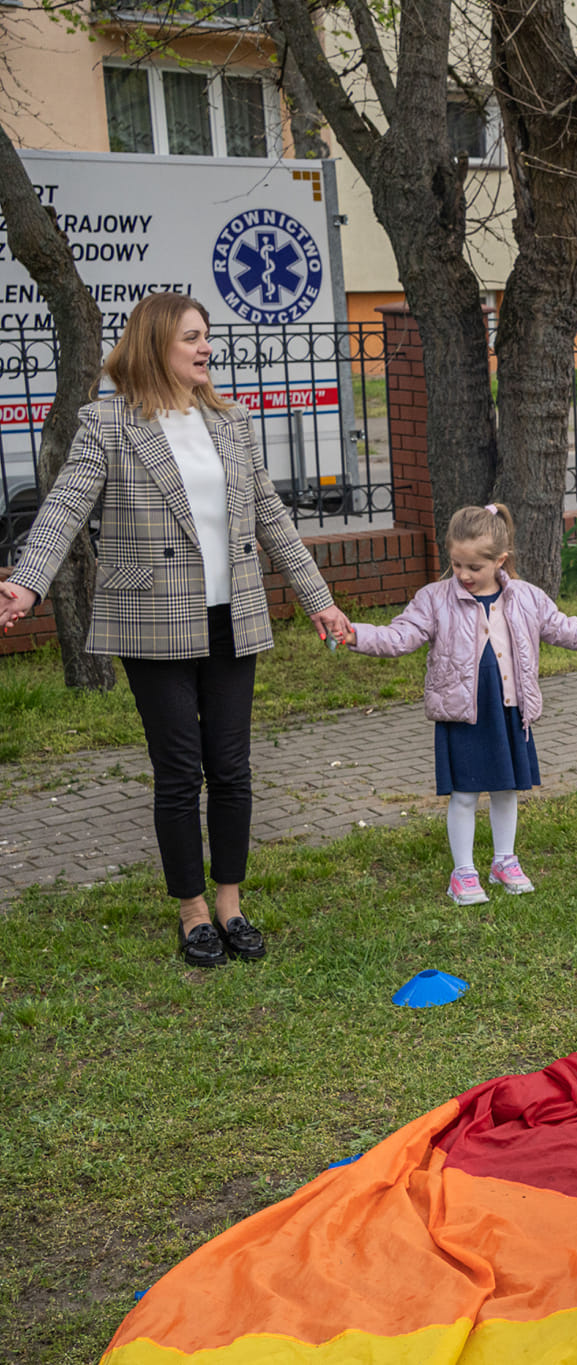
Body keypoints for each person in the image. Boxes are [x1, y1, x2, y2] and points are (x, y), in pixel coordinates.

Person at [0, 291, 351, 968]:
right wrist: (26, 578)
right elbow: (66, 504)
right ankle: (191, 911)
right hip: (151, 619)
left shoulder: (231, 421)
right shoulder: (109, 424)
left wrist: (319, 598)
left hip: (232, 615)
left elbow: (271, 517)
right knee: (178, 770)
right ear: (156, 343)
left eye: (207, 337)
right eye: (192, 337)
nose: (206, 348)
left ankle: (230, 902)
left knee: (232, 766)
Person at [347, 504, 577, 904]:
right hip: (463, 714)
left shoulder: (527, 597)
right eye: (456, 564)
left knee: (506, 789)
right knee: (463, 794)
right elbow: (399, 637)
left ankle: (504, 861)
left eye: (473, 567)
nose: (462, 575)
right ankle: (463, 872)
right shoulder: (434, 599)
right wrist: (354, 634)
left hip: (509, 711)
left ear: (501, 561)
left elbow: (569, 629)